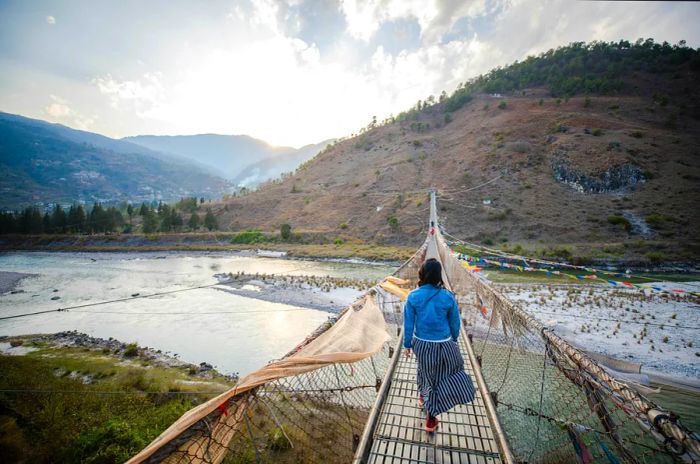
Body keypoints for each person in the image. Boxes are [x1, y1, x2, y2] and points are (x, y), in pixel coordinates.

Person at [403, 258, 476, 432]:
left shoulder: (413, 296)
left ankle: (423, 396)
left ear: (422, 274)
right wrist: (454, 340)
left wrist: (407, 344)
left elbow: (408, 324)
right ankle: (430, 419)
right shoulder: (448, 296)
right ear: (438, 275)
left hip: (421, 344)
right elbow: (455, 324)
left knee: (424, 370)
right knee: (440, 378)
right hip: (444, 343)